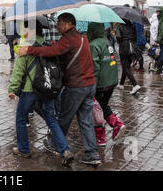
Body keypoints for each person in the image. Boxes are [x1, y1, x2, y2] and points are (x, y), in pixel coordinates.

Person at [18, 13, 101, 166]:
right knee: (85, 121)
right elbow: (60, 50)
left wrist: (30, 50)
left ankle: (59, 146)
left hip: (76, 86)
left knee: (63, 118)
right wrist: (53, 45)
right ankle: (92, 154)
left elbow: (53, 52)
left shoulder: (68, 39)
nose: (57, 26)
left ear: (69, 23)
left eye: (60, 23)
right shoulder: (82, 37)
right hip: (90, 86)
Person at [8, 18, 74, 165]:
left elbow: (18, 71)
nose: (23, 32)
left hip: (30, 90)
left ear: (30, 30)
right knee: (51, 119)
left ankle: (24, 149)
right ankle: (65, 150)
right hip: (47, 88)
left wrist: (12, 89)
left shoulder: (26, 46)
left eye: (25, 29)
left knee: (20, 118)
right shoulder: (46, 45)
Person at [87, 22, 126, 146]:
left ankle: (102, 136)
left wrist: (92, 85)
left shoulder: (93, 45)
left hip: (100, 83)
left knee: (96, 109)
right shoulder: (106, 41)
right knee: (103, 105)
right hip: (111, 81)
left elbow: (94, 67)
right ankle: (115, 126)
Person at [116, 19, 141, 94]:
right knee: (126, 66)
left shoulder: (119, 26)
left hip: (124, 47)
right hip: (132, 47)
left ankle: (135, 84)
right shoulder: (132, 26)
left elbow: (118, 39)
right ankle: (121, 84)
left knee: (125, 67)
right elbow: (135, 37)